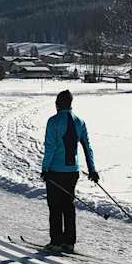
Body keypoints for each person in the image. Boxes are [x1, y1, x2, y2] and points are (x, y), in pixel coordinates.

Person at [40, 90, 98, 253]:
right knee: (68, 205)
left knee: (55, 206)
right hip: (73, 171)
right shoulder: (80, 122)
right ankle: (69, 241)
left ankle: (56, 241)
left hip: (55, 171)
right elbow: (87, 148)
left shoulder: (53, 121)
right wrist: (92, 170)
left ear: (58, 104)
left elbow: (50, 147)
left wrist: (45, 168)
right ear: (70, 103)